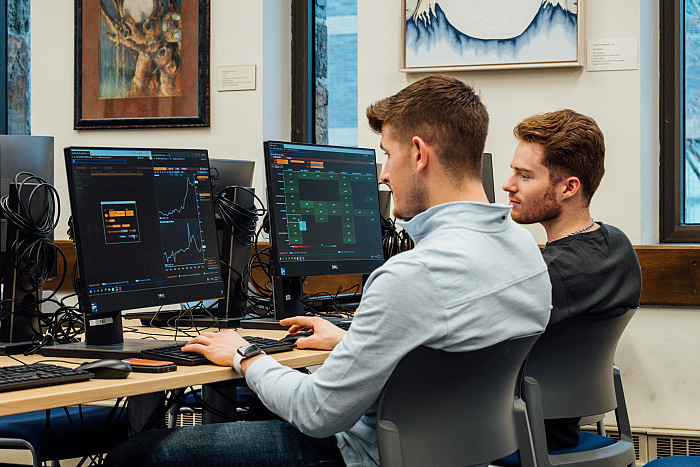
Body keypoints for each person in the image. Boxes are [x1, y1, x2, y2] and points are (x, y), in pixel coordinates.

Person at [106, 75, 552, 466]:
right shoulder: (523, 250)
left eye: (387, 154)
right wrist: (352, 340)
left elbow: (317, 414)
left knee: (138, 454)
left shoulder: (413, 276)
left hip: (368, 455)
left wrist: (245, 354)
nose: (382, 175)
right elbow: (444, 356)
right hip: (463, 454)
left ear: (418, 155)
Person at [502, 108, 642, 450]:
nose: (508, 185)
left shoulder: (554, 274)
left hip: (524, 434)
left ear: (569, 187)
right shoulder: (615, 245)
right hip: (558, 425)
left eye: (524, 176)